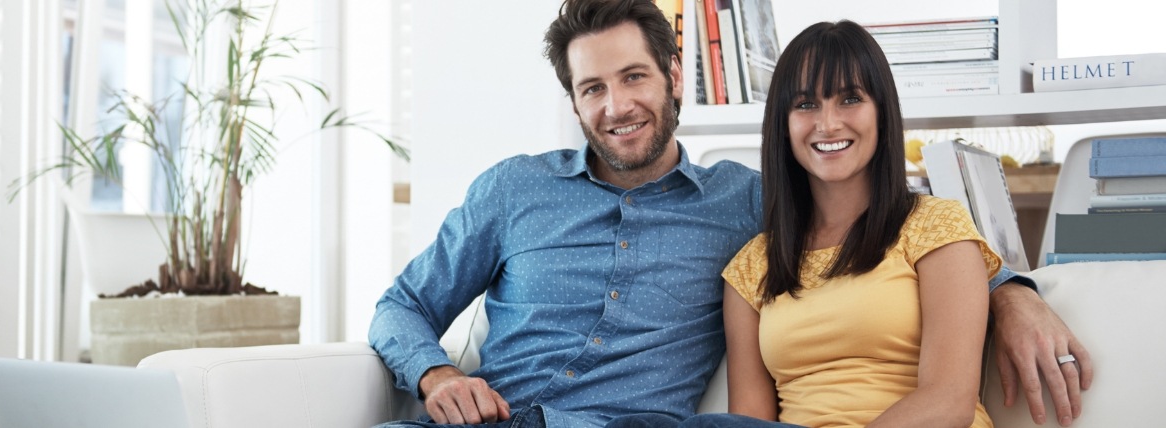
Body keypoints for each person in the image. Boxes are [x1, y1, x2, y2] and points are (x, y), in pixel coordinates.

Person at [369, 1, 1091, 427]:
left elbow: (877, 224)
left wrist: (1012, 294)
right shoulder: (512, 190)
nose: (616, 106)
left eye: (633, 77)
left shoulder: (746, 203)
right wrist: (436, 376)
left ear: (674, 75)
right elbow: (400, 307)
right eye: (592, 88)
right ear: (574, 100)